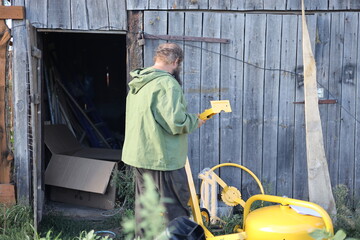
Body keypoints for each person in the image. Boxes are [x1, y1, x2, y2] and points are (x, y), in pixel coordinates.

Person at [121, 42, 206, 236]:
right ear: (176, 62)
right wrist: (196, 121)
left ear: (157, 59)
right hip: (162, 157)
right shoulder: (167, 83)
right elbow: (176, 123)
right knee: (175, 208)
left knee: (145, 208)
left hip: (140, 156)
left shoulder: (138, 83)